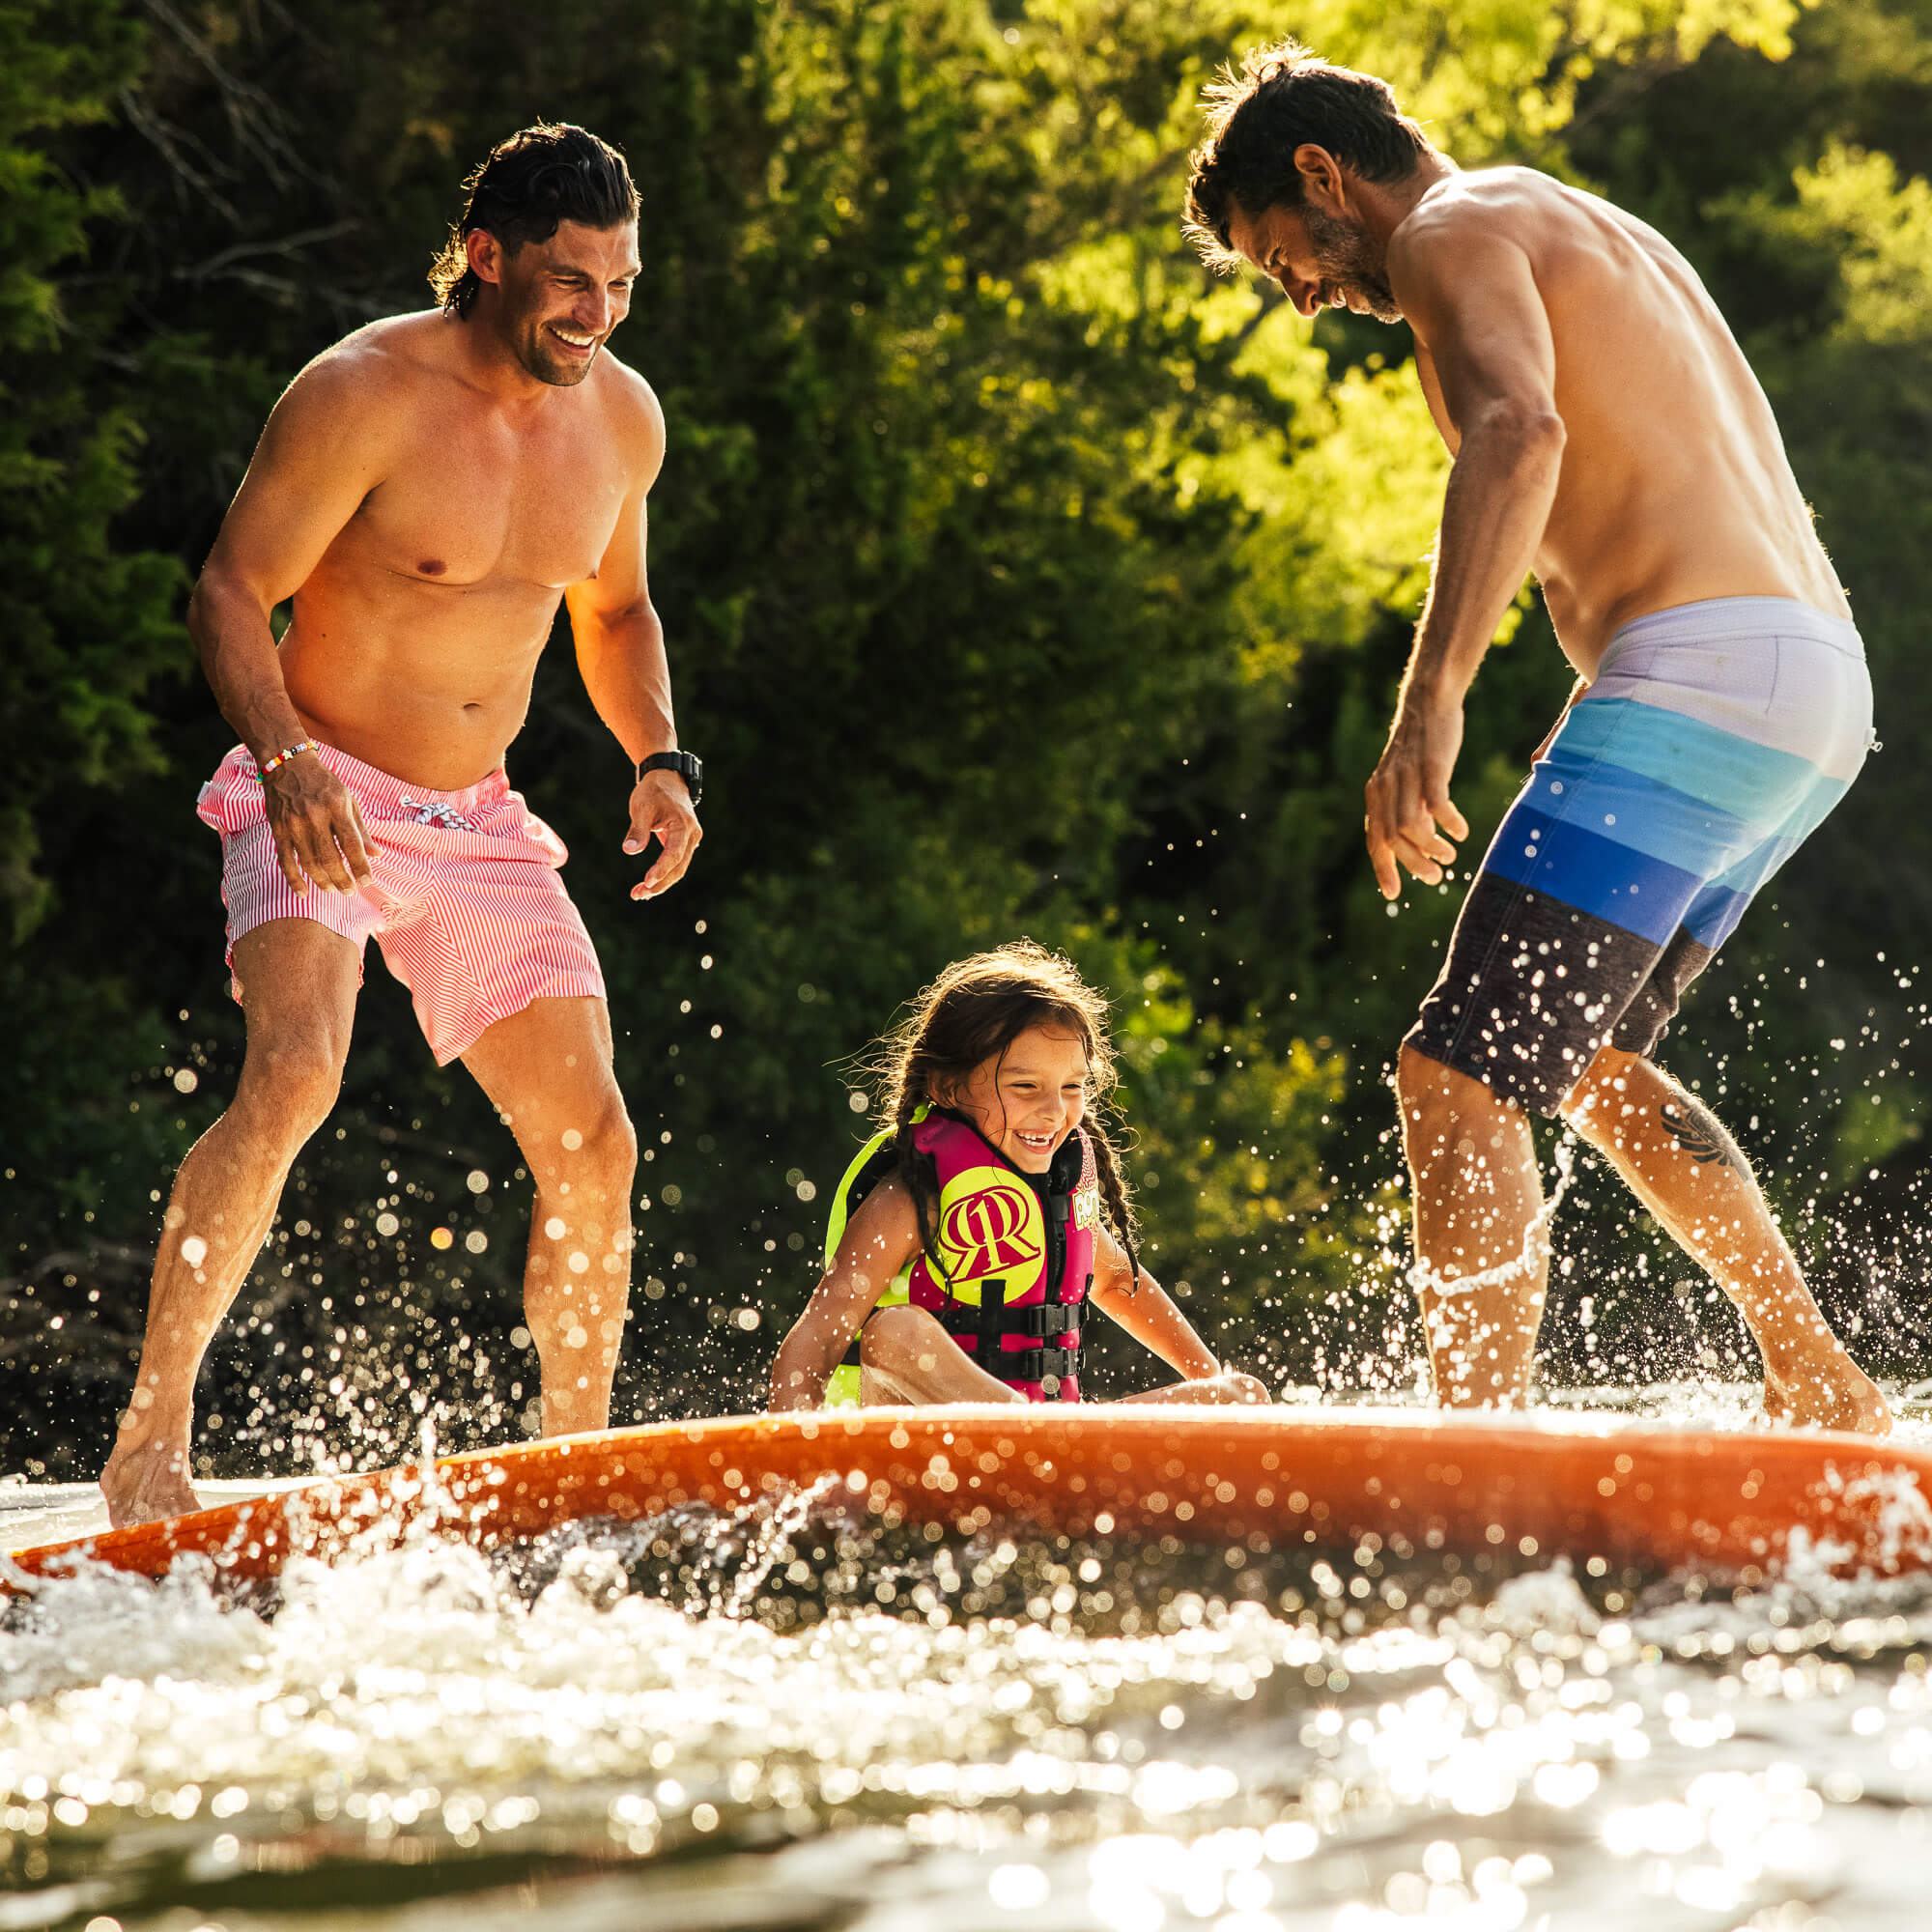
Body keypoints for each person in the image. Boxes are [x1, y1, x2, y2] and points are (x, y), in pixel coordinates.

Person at [1183, 43, 1889, 1433]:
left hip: (1705, 668)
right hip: (1808, 688)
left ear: (1326, 177)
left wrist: (1430, 695)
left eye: (1287, 257)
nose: (1308, 294)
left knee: (1456, 1073)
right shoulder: (1580, 222)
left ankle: (1478, 1459)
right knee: (1587, 1063)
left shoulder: (1450, 230)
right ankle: (1818, 1377)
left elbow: (1521, 427)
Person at [100, 124, 704, 1527]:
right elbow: (230, 591)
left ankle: (572, 1482)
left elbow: (613, 612)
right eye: (568, 281)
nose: (595, 315)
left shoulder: (622, 418)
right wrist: (286, 755)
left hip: (478, 823)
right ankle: (148, 1442)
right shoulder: (361, 392)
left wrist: (659, 758)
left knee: (595, 1142)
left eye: (618, 286)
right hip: (318, 785)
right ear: (485, 258)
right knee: (298, 1074)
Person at [770, 942, 1268, 1410]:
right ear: (946, 1086)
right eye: (1025, 1086)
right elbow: (821, 1334)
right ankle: (1032, 1429)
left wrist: (1207, 1380)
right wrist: (794, 1470)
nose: (1053, 1111)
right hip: (924, 1451)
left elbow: (1118, 1282)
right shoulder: (911, 1196)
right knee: (894, 1333)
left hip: (1055, 1449)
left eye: (1072, 1086)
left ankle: (1052, 1440)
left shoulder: (1056, 1197)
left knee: (1241, 1395)